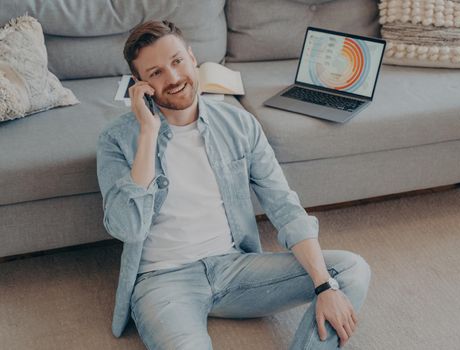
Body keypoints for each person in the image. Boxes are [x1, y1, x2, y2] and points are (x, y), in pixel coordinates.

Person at [96, 20, 371, 350]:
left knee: (351, 271)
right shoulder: (117, 140)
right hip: (162, 280)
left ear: (192, 57)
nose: (172, 77)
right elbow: (126, 227)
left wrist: (325, 286)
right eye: (155, 73)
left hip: (235, 269)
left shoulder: (239, 124)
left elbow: (285, 207)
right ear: (139, 85)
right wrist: (147, 134)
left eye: (177, 61)